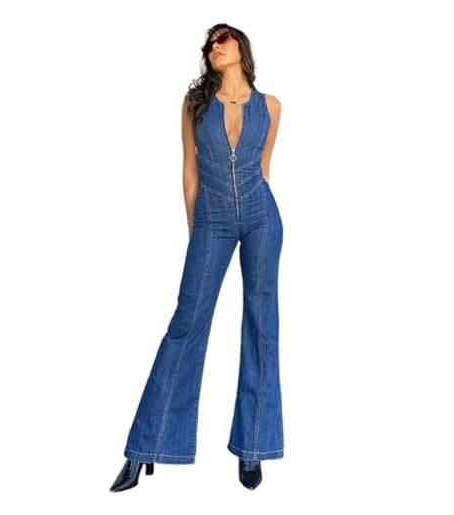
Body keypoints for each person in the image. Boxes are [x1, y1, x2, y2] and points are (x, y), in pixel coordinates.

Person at [110, 23, 284, 492]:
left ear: (241, 47)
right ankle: (145, 447)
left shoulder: (271, 107)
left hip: (262, 218)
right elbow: (190, 172)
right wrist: (197, 228)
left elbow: (263, 168)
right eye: (209, 44)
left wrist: (258, 210)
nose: (214, 47)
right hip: (212, 220)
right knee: (186, 324)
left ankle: (253, 446)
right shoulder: (195, 104)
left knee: (262, 326)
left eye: (222, 39)